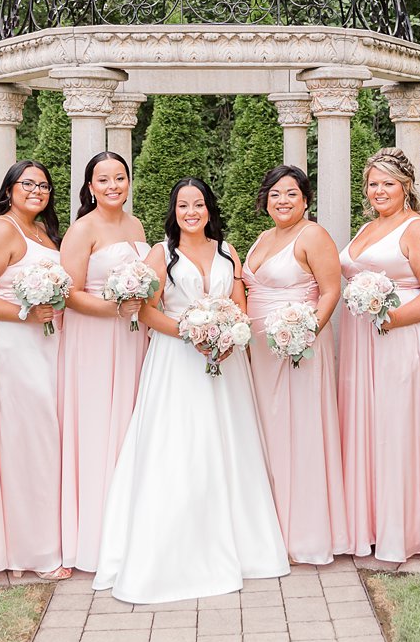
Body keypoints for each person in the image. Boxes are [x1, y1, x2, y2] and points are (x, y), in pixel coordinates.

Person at [93, 178, 289, 603]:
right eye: (183, 205)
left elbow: (239, 304)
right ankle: (171, 552)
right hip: (176, 361)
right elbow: (145, 310)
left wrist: (225, 333)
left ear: (208, 208)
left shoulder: (226, 251)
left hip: (225, 360)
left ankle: (243, 548)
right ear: (174, 211)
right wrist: (189, 332)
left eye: (198, 204)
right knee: (180, 446)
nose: (191, 212)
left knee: (227, 445)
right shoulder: (161, 253)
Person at [337, 147, 420, 562]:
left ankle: (402, 531)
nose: (379, 190)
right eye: (373, 183)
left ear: (406, 187)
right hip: (362, 343)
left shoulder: (418, 228)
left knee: (397, 429)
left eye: (388, 183)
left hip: (401, 338)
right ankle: (368, 524)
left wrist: (394, 319)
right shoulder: (366, 229)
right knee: (367, 428)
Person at [0, 160, 70, 581]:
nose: (37, 190)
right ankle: (36, 553)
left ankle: (39, 538)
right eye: (28, 183)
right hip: (8, 346)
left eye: (44, 185)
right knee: (28, 442)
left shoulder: (41, 232)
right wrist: (24, 314)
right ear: (9, 189)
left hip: (40, 345)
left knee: (40, 441)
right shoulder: (0, 230)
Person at [241, 165, 349, 565]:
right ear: (265, 200)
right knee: (269, 433)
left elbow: (331, 290)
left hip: (298, 351)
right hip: (260, 353)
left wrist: (304, 334)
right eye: (275, 194)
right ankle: (272, 528)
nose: (282, 201)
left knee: (299, 431)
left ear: (306, 199)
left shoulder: (313, 235)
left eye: (291, 193)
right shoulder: (265, 237)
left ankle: (304, 534)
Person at [56, 151, 150, 573]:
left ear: (128, 182)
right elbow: (69, 293)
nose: (113, 186)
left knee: (131, 422)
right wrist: (115, 308)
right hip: (95, 337)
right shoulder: (82, 230)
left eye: (120, 178)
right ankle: (95, 537)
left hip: (134, 337)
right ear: (90, 187)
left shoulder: (136, 225)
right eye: (104, 179)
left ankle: (131, 527)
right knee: (98, 426)